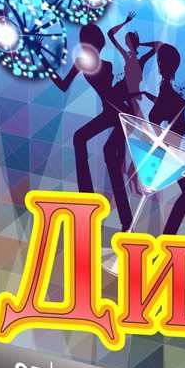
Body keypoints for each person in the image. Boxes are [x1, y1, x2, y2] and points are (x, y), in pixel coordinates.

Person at [51, 23, 135, 229]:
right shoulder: (84, 63)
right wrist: (48, 69)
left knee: (109, 155)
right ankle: (88, 198)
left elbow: (109, 87)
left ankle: (124, 219)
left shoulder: (105, 65)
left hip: (120, 113)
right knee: (82, 139)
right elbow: (63, 85)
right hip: (111, 113)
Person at [144, 44, 185, 235]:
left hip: (170, 146)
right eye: (158, 61)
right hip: (169, 148)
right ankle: (168, 235)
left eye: (160, 61)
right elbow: (157, 113)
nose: (158, 64)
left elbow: (160, 109)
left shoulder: (165, 87)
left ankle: (168, 235)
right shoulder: (166, 88)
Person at [107, 11, 161, 118]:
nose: (129, 44)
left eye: (130, 41)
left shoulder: (140, 60)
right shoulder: (128, 57)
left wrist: (139, 43)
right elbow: (110, 34)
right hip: (122, 92)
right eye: (128, 42)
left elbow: (159, 44)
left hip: (131, 95)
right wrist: (125, 22)